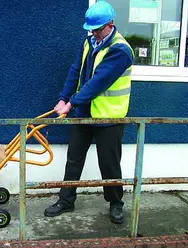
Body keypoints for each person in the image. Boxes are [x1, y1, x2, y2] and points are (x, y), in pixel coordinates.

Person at [44, 1, 134, 224]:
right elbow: (76, 70)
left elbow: (98, 82)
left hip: (109, 117)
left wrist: (70, 103)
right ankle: (66, 200)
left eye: (97, 28)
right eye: (91, 29)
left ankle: (115, 203)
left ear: (110, 24)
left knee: (109, 163)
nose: (93, 32)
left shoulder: (121, 50)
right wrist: (63, 97)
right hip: (84, 113)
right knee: (74, 158)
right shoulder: (89, 41)